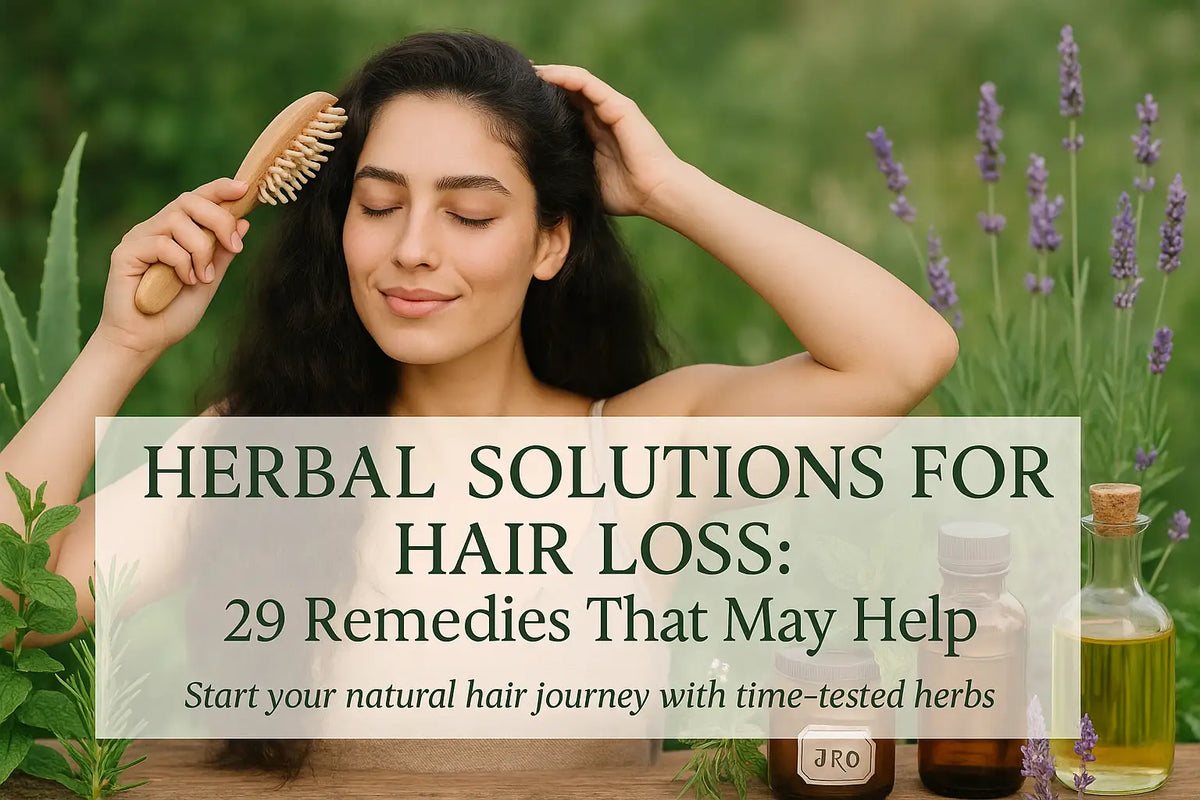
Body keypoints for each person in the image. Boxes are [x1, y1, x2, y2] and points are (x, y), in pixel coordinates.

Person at [0, 30, 957, 778]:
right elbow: (14, 604)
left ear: (550, 243)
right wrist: (123, 345)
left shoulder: (644, 450)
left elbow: (903, 355)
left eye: (469, 214)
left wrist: (669, 188)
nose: (413, 248)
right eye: (378, 206)